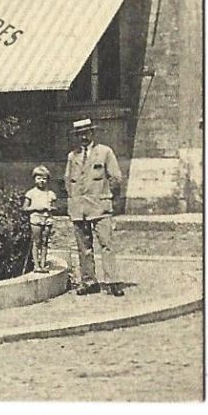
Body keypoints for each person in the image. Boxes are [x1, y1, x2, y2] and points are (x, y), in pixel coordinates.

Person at [64, 118, 125, 296]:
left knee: (106, 244)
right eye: (79, 134)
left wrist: (107, 196)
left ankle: (112, 281)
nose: (83, 137)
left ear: (92, 133)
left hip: (100, 206)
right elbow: (68, 180)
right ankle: (89, 281)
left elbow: (116, 178)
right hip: (79, 208)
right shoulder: (72, 156)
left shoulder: (105, 152)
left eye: (86, 133)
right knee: (84, 247)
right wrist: (73, 199)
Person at [22, 165, 56, 273]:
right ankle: (36, 265)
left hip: (47, 219)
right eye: (39, 178)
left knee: (45, 242)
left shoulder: (50, 194)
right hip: (36, 219)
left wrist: (51, 208)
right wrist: (37, 208)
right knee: (36, 241)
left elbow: (55, 207)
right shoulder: (31, 193)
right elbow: (24, 208)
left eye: (44, 178)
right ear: (34, 179)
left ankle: (43, 264)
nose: (41, 181)